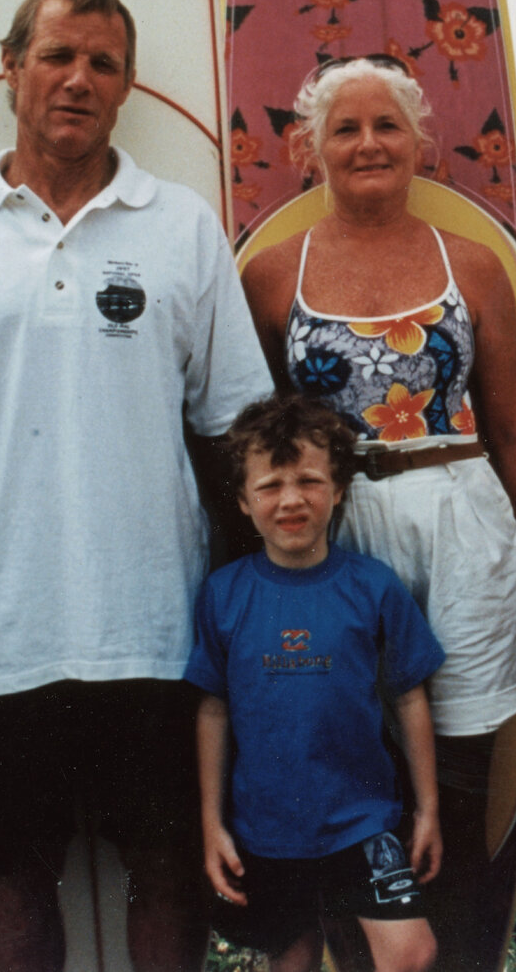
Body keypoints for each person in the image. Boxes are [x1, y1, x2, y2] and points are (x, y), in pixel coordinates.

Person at [0, 0, 273, 972]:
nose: (77, 79)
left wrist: (248, 597)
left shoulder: (179, 224)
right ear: (10, 67)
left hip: (153, 616)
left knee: (164, 859)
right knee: (17, 867)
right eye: (56, 55)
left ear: (128, 84)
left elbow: (232, 430)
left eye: (102, 62)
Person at [239, 54, 516, 969]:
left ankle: (449, 950)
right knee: (347, 755)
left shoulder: (474, 264)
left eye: (388, 126)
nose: (369, 143)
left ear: (421, 142)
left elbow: (514, 423)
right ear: (311, 149)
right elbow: (252, 434)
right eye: (346, 127)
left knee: (455, 766)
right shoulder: (270, 277)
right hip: (339, 534)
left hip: (463, 517)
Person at [188, 395, 443, 972]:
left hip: (363, 822)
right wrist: (212, 823)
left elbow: (408, 696)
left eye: (309, 480)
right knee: (294, 959)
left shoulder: (373, 586)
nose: (292, 500)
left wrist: (427, 810)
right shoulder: (224, 594)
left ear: (339, 489)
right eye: (270, 486)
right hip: (267, 829)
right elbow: (213, 711)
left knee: (412, 954)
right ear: (242, 502)